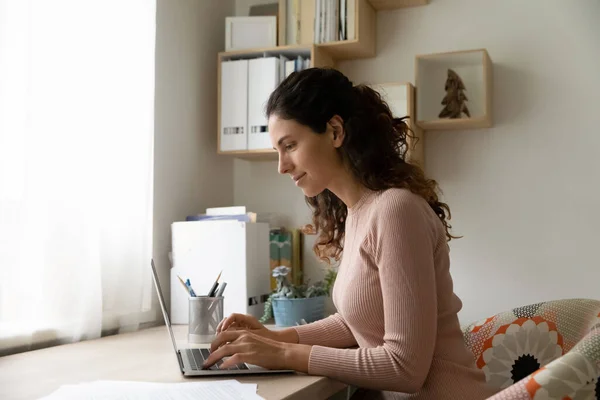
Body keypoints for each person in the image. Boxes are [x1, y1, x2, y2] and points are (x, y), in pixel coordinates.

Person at [202, 68, 498, 399]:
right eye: (278, 151)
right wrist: (276, 338)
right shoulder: (358, 214)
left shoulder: (395, 210)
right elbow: (356, 322)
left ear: (335, 131)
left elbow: (405, 367)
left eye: (290, 145)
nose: (282, 166)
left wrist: (284, 355)